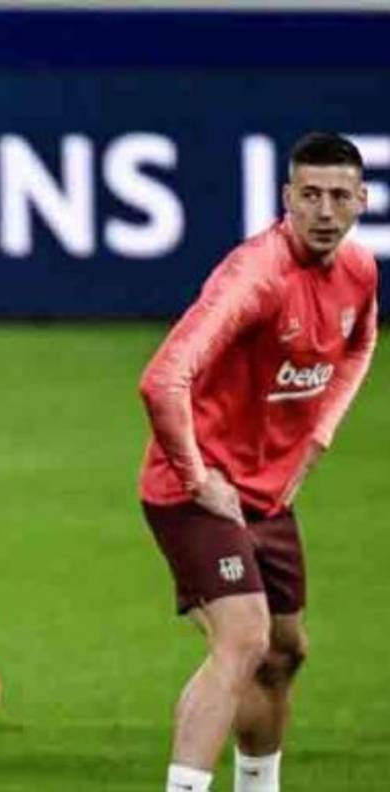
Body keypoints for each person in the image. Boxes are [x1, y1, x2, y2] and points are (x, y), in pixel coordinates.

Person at [138, 132, 378, 792]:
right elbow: (162, 380)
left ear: (362, 200)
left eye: (339, 197)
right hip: (196, 489)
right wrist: (197, 479)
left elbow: (360, 345)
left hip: (269, 495)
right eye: (310, 195)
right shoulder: (255, 277)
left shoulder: (360, 270)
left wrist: (317, 439)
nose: (324, 211)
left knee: (283, 653)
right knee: (244, 639)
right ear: (286, 198)